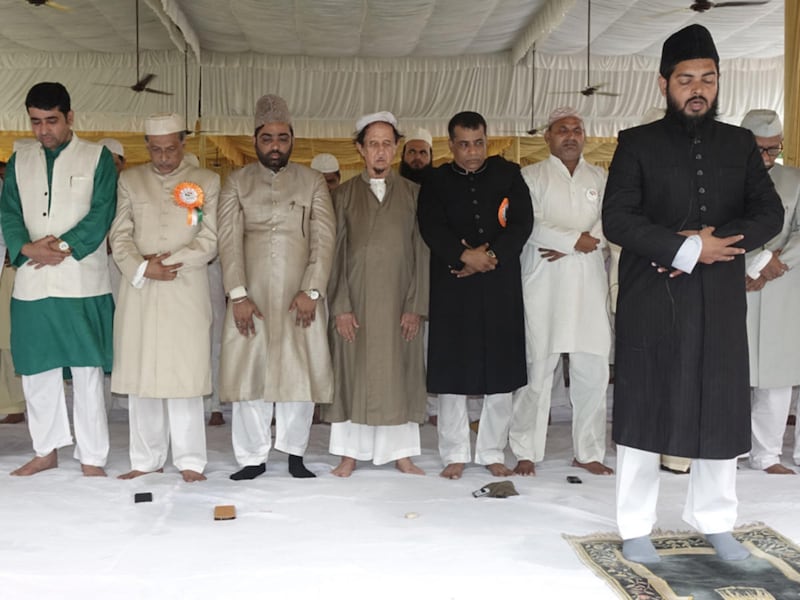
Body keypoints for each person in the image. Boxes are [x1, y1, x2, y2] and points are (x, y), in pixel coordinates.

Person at [602, 25, 784, 563]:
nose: (698, 88)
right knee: (643, 406)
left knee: (720, 403)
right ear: (664, 85)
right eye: (686, 79)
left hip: (719, 298)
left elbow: (769, 214)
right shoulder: (636, 143)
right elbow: (617, 218)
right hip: (652, 297)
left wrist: (714, 246)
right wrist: (683, 249)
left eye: (708, 78)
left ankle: (715, 520)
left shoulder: (739, 144)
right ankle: (635, 526)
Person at [0, 82, 117, 476]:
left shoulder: (97, 157)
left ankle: (92, 457)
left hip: (82, 281)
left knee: (86, 372)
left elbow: (101, 213)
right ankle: (45, 450)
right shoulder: (19, 161)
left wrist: (63, 247)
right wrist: (29, 249)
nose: (43, 131)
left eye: (51, 121)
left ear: (70, 117)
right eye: (36, 122)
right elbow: (10, 213)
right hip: (33, 282)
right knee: (36, 369)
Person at [218, 94, 335, 480]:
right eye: (267, 138)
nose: (275, 146)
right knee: (250, 374)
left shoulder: (312, 181)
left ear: (292, 139)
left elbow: (324, 240)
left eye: (282, 138)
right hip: (250, 295)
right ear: (255, 139)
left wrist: (312, 291)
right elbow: (228, 241)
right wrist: (237, 294)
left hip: (299, 295)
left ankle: (295, 453)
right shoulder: (237, 182)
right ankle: (252, 457)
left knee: (298, 371)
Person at [418, 111, 533, 479]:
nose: (472, 152)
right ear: (450, 145)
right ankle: (454, 452)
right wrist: (464, 256)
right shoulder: (435, 181)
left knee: (499, 372)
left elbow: (521, 223)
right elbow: (431, 226)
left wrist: (491, 257)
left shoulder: (509, 175)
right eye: (464, 144)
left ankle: (491, 451)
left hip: (499, 287)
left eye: (478, 143)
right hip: (454, 285)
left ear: (487, 140)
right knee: (453, 372)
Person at [110, 113, 218, 483]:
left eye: (171, 149)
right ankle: (145, 459)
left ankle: (190, 461)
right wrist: (141, 267)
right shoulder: (130, 181)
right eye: (156, 150)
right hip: (140, 286)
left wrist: (167, 264)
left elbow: (209, 238)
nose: (164, 157)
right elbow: (119, 234)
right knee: (143, 375)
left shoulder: (206, 181)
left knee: (184, 375)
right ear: (147, 147)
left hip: (184, 285)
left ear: (183, 144)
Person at [324, 111, 429, 477]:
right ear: (360, 150)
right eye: (373, 145)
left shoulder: (416, 195)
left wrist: (416, 306)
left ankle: (401, 453)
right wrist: (340, 307)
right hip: (355, 304)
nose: (381, 152)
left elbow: (421, 253)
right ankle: (348, 454)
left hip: (401, 304)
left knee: (399, 377)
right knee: (353, 376)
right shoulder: (343, 196)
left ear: (396, 148)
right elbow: (332, 255)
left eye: (387, 144)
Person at [515, 107, 612, 477]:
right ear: (547, 137)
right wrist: (576, 240)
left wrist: (582, 243)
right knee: (537, 369)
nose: (571, 136)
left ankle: (588, 451)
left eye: (577, 129)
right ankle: (526, 448)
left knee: (592, 370)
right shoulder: (530, 176)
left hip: (588, 287)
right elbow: (530, 224)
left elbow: (614, 219)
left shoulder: (599, 177)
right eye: (562, 130)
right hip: (545, 286)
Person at [740, 109, 800, 475]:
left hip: (782, 285)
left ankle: (767, 455)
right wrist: (756, 262)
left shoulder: (794, 179)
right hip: (737, 281)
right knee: (730, 373)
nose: (767, 158)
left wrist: (776, 263)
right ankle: (726, 450)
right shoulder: (723, 178)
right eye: (759, 150)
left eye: (773, 150)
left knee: (776, 373)